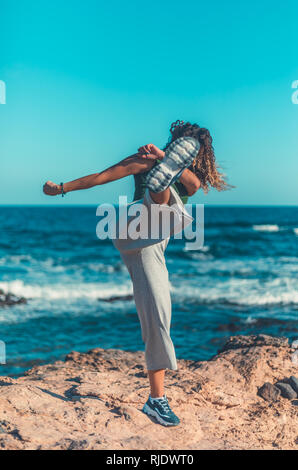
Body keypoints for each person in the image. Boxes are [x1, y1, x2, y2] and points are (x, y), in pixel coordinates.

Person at [43, 120, 230, 426]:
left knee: (159, 313)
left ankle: (160, 186)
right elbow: (102, 177)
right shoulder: (144, 159)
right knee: (169, 206)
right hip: (133, 224)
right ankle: (157, 401)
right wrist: (61, 189)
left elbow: (195, 185)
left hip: (151, 243)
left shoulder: (187, 179)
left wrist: (162, 159)